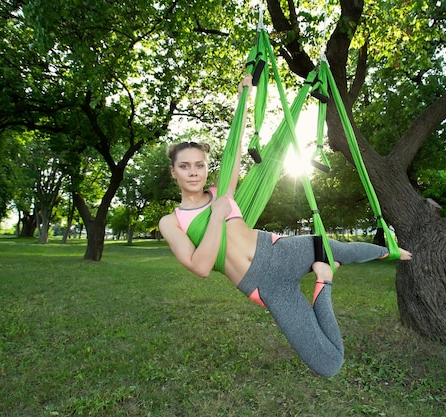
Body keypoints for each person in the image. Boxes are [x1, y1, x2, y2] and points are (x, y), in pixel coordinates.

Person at [159, 74, 413, 377]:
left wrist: (245, 97)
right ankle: (324, 280)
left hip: (280, 250)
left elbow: (235, 148)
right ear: (173, 172)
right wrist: (216, 214)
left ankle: (391, 253)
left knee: (337, 248)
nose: (193, 172)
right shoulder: (171, 221)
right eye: (184, 166)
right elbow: (200, 267)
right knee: (329, 364)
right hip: (264, 285)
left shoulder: (220, 190)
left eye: (199, 164)